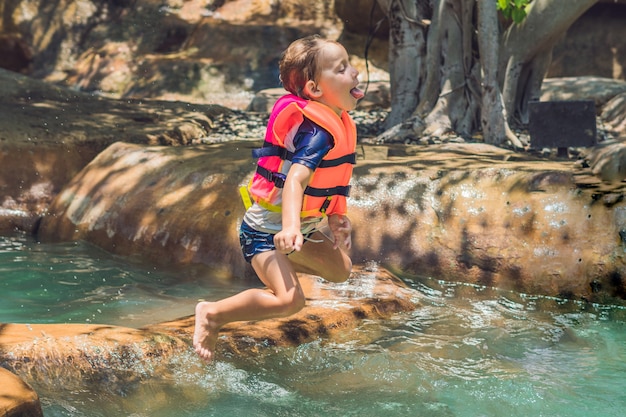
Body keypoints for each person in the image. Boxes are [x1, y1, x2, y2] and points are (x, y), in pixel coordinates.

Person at [193, 35, 364, 361]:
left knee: (342, 270)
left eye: (350, 64)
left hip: (298, 229)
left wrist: (335, 218)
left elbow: (326, 185)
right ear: (315, 89)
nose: (355, 73)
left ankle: (285, 259)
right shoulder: (317, 133)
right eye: (342, 68)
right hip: (263, 233)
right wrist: (290, 228)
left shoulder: (337, 123)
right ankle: (211, 313)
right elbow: (295, 181)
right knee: (290, 301)